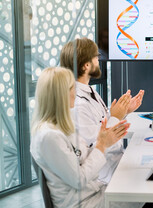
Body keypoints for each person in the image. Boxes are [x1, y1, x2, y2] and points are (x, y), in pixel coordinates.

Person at [30, 67, 129, 208]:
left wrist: (103, 140)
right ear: (61, 94)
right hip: (84, 203)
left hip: (94, 192)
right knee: (148, 195)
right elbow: (78, 179)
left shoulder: (62, 126)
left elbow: (83, 155)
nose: (75, 93)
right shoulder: (49, 137)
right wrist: (102, 145)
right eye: (72, 88)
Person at [60, 38, 145, 184]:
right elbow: (96, 146)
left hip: (117, 162)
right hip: (106, 175)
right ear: (86, 65)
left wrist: (124, 111)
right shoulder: (77, 105)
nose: (99, 60)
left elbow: (102, 125)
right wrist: (116, 116)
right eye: (96, 57)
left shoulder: (90, 91)